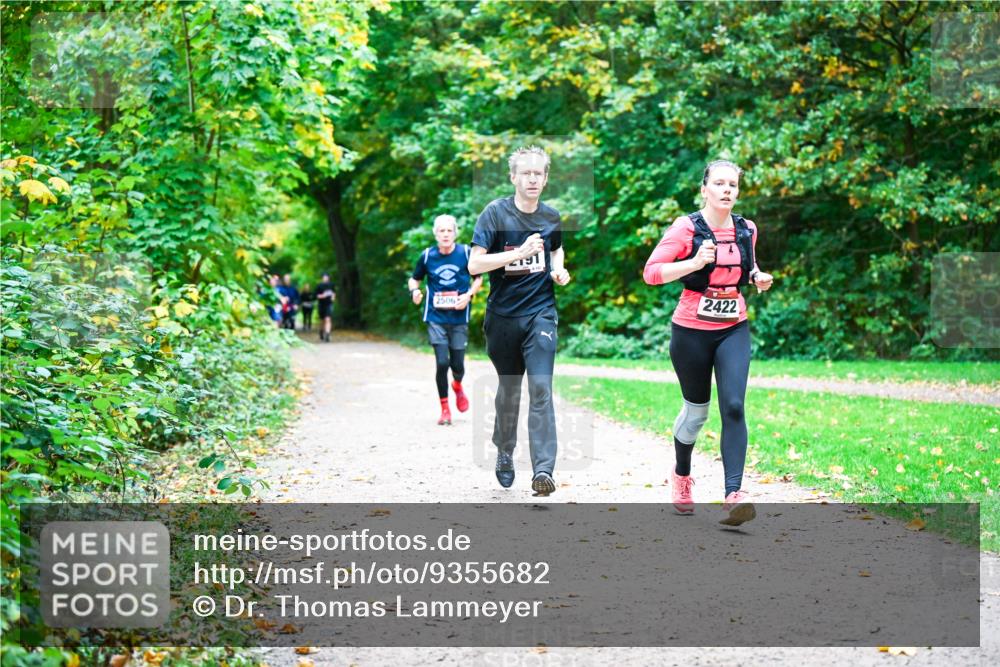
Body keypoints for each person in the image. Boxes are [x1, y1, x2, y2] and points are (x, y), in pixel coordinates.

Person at [642, 159, 774, 526]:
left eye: (733, 184)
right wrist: (693, 261)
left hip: (733, 327)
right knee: (697, 413)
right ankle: (682, 475)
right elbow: (651, 273)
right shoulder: (687, 228)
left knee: (733, 405)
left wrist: (758, 277)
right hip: (690, 332)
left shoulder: (747, 229)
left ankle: (734, 495)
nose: (727, 190)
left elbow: (746, 268)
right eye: (719, 183)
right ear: (705, 189)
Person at [468, 146, 571, 497]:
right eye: (525, 173)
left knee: (541, 387)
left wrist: (558, 269)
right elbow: (474, 265)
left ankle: (544, 470)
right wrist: (517, 253)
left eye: (538, 173)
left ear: (545, 178)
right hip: (502, 318)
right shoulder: (494, 215)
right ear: (513, 177)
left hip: (541, 312)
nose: (532, 179)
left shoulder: (551, 217)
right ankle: (504, 449)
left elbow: (555, 250)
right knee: (509, 390)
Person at [408, 215, 483, 426]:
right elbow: (414, 279)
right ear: (436, 234)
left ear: (455, 233)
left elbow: (478, 279)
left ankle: (457, 385)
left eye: (449, 230)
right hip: (435, 317)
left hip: (459, 317)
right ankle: (445, 409)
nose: (446, 234)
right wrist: (415, 291)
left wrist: (468, 295)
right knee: (442, 362)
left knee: (457, 364)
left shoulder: (466, 253)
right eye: (441, 231)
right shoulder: (427, 256)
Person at [315, 273, 335, 342]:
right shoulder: (319, 286)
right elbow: (316, 296)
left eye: (326, 277)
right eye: (324, 277)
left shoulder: (331, 285)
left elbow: (333, 293)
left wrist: (333, 297)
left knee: (328, 319)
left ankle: (327, 334)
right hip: (321, 305)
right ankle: (321, 331)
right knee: (322, 321)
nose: (325, 278)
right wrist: (323, 296)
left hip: (329, 304)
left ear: (328, 278)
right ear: (322, 278)